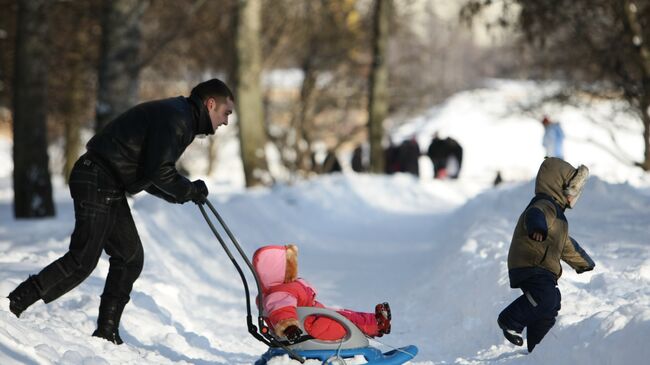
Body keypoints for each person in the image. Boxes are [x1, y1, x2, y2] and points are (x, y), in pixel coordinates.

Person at [6, 78, 235, 345]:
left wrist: (181, 195)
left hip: (106, 181)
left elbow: (150, 171)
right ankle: (14, 303)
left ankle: (106, 332)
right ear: (210, 104)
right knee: (82, 259)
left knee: (129, 257)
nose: (226, 121)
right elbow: (159, 171)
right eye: (225, 113)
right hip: (97, 177)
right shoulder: (178, 119)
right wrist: (187, 190)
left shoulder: (180, 115)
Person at [497, 157, 595, 353]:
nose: (573, 197)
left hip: (543, 268)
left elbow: (566, 244)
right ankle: (510, 320)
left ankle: (538, 347)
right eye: (572, 190)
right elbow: (535, 215)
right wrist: (538, 228)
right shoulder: (544, 205)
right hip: (530, 262)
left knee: (550, 305)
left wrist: (583, 262)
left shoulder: (559, 218)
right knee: (547, 297)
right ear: (559, 186)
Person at [253, 244, 392, 342]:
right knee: (345, 323)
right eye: (290, 267)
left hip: (314, 317)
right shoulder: (278, 294)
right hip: (309, 327)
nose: (294, 270)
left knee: (344, 313)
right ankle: (375, 325)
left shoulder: (281, 288)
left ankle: (376, 320)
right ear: (277, 271)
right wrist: (290, 328)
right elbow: (282, 311)